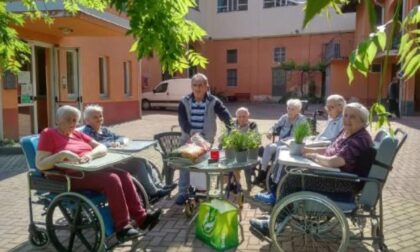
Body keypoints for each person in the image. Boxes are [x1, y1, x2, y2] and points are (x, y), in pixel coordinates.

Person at [35, 105, 162, 242]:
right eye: (68, 120)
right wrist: (62, 154)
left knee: (124, 175)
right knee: (112, 180)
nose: (72, 123)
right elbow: (40, 164)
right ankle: (123, 227)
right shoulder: (49, 134)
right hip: (70, 176)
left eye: (74, 120)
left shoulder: (77, 134)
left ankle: (142, 218)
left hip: (90, 169)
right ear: (58, 120)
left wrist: (90, 156)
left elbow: (101, 147)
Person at [250, 102, 374, 236]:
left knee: (292, 179)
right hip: (337, 175)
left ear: (363, 120)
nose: (347, 120)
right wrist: (305, 150)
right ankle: (280, 213)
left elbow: (335, 161)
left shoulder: (359, 139)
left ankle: (274, 224)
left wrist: (314, 156)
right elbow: (329, 149)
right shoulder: (348, 132)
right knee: (292, 171)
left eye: (353, 117)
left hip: (344, 181)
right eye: (346, 115)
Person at [82, 104, 176, 201]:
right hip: (106, 164)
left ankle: (159, 187)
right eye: (95, 117)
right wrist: (111, 144)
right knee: (138, 164)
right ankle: (153, 192)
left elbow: (121, 137)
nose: (99, 119)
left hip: (116, 158)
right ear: (87, 120)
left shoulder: (104, 130)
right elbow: (96, 145)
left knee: (144, 161)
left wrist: (119, 142)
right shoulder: (87, 132)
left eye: (100, 116)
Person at [176, 73, 233, 205]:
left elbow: (226, 117)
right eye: (195, 85)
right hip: (188, 139)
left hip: (206, 140)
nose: (197, 88)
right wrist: (193, 134)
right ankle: (182, 192)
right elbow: (182, 121)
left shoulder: (214, 101)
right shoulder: (184, 101)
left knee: (207, 164)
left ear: (206, 87)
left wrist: (231, 131)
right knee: (185, 164)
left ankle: (207, 191)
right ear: (191, 87)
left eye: (200, 85)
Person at [253, 99, 307, 186]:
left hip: (293, 145)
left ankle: (274, 176)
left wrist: (291, 141)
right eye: (288, 108)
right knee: (268, 147)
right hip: (281, 142)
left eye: (292, 109)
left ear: (298, 110)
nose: (289, 111)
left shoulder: (302, 120)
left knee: (279, 149)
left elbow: (303, 136)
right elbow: (274, 126)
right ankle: (262, 173)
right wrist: (270, 131)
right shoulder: (284, 117)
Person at [232, 107, 259, 188]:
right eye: (239, 117)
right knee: (234, 162)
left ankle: (241, 183)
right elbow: (227, 137)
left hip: (248, 152)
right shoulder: (232, 124)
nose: (242, 119)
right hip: (236, 151)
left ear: (248, 116)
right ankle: (238, 183)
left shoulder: (252, 125)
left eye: (244, 116)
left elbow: (255, 139)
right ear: (236, 117)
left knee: (239, 161)